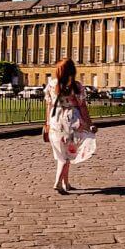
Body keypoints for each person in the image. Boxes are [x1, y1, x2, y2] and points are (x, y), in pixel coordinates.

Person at [44, 58, 96, 194]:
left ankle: (65, 183)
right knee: (66, 155)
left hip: (55, 121)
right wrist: (89, 124)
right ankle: (57, 183)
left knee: (62, 153)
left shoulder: (51, 85)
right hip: (71, 122)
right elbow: (83, 107)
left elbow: (48, 106)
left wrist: (48, 123)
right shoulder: (76, 86)